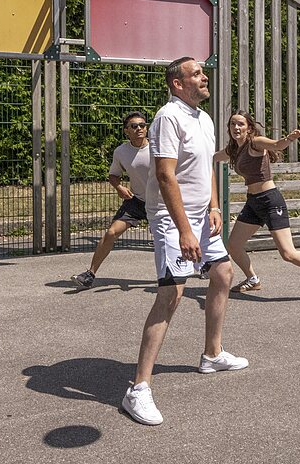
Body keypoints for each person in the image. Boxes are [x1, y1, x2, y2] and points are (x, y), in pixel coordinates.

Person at [121, 57, 247, 426]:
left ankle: (212, 354)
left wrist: (215, 204)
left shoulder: (204, 119)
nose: (204, 76)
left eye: (203, 72)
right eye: (196, 74)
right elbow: (165, 176)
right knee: (172, 294)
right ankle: (138, 388)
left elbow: (207, 166)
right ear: (177, 83)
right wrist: (184, 230)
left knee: (223, 273)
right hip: (171, 220)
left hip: (200, 216)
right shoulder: (167, 117)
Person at [214, 111, 300, 302]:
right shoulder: (234, 149)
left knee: (288, 253)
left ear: (248, 127)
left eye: (240, 124)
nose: (236, 128)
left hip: (270, 201)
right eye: (232, 124)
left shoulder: (255, 142)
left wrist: (289, 138)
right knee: (233, 245)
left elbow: (276, 145)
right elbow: (213, 157)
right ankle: (252, 279)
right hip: (253, 203)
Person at [70, 112, 151, 289]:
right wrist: (119, 187)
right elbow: (113, 175)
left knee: (176, 237)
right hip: (136, 201)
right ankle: (89, 275)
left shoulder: (158, 148)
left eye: (142, 125)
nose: (139, 129)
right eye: (134, 126)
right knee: (111, 233)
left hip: (161, 203)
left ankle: (204, 263)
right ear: (126, 131)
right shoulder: (121, 152)